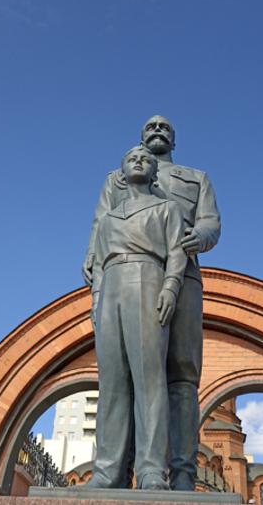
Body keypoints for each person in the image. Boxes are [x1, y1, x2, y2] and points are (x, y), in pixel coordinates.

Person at [83, 115, 221, 491]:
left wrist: (198, 237)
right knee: (123, 371)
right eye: (150, 128)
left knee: (180, 372)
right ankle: (118, 472)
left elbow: (211, 222)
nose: (157, 131)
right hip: (123, 276)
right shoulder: (118, 177)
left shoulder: (196, 178)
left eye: (164, 129)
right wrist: (94, 260)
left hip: (182, 275)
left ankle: (181, 473)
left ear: (174, 140)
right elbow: (101, 222)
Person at [86, 145, 187, 490]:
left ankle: (150, 470)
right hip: (111, 286)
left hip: (148, 277)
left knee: (149, 378)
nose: (139, 161)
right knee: (112, 382)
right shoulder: (109, 218)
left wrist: (171, 287)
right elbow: (99, 265)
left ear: (154, 171)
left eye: (145, 159)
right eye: (132, 159)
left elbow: (177, 252)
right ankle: (107, 471)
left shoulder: (166, 208)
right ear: (122, 172)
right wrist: (97, 300)